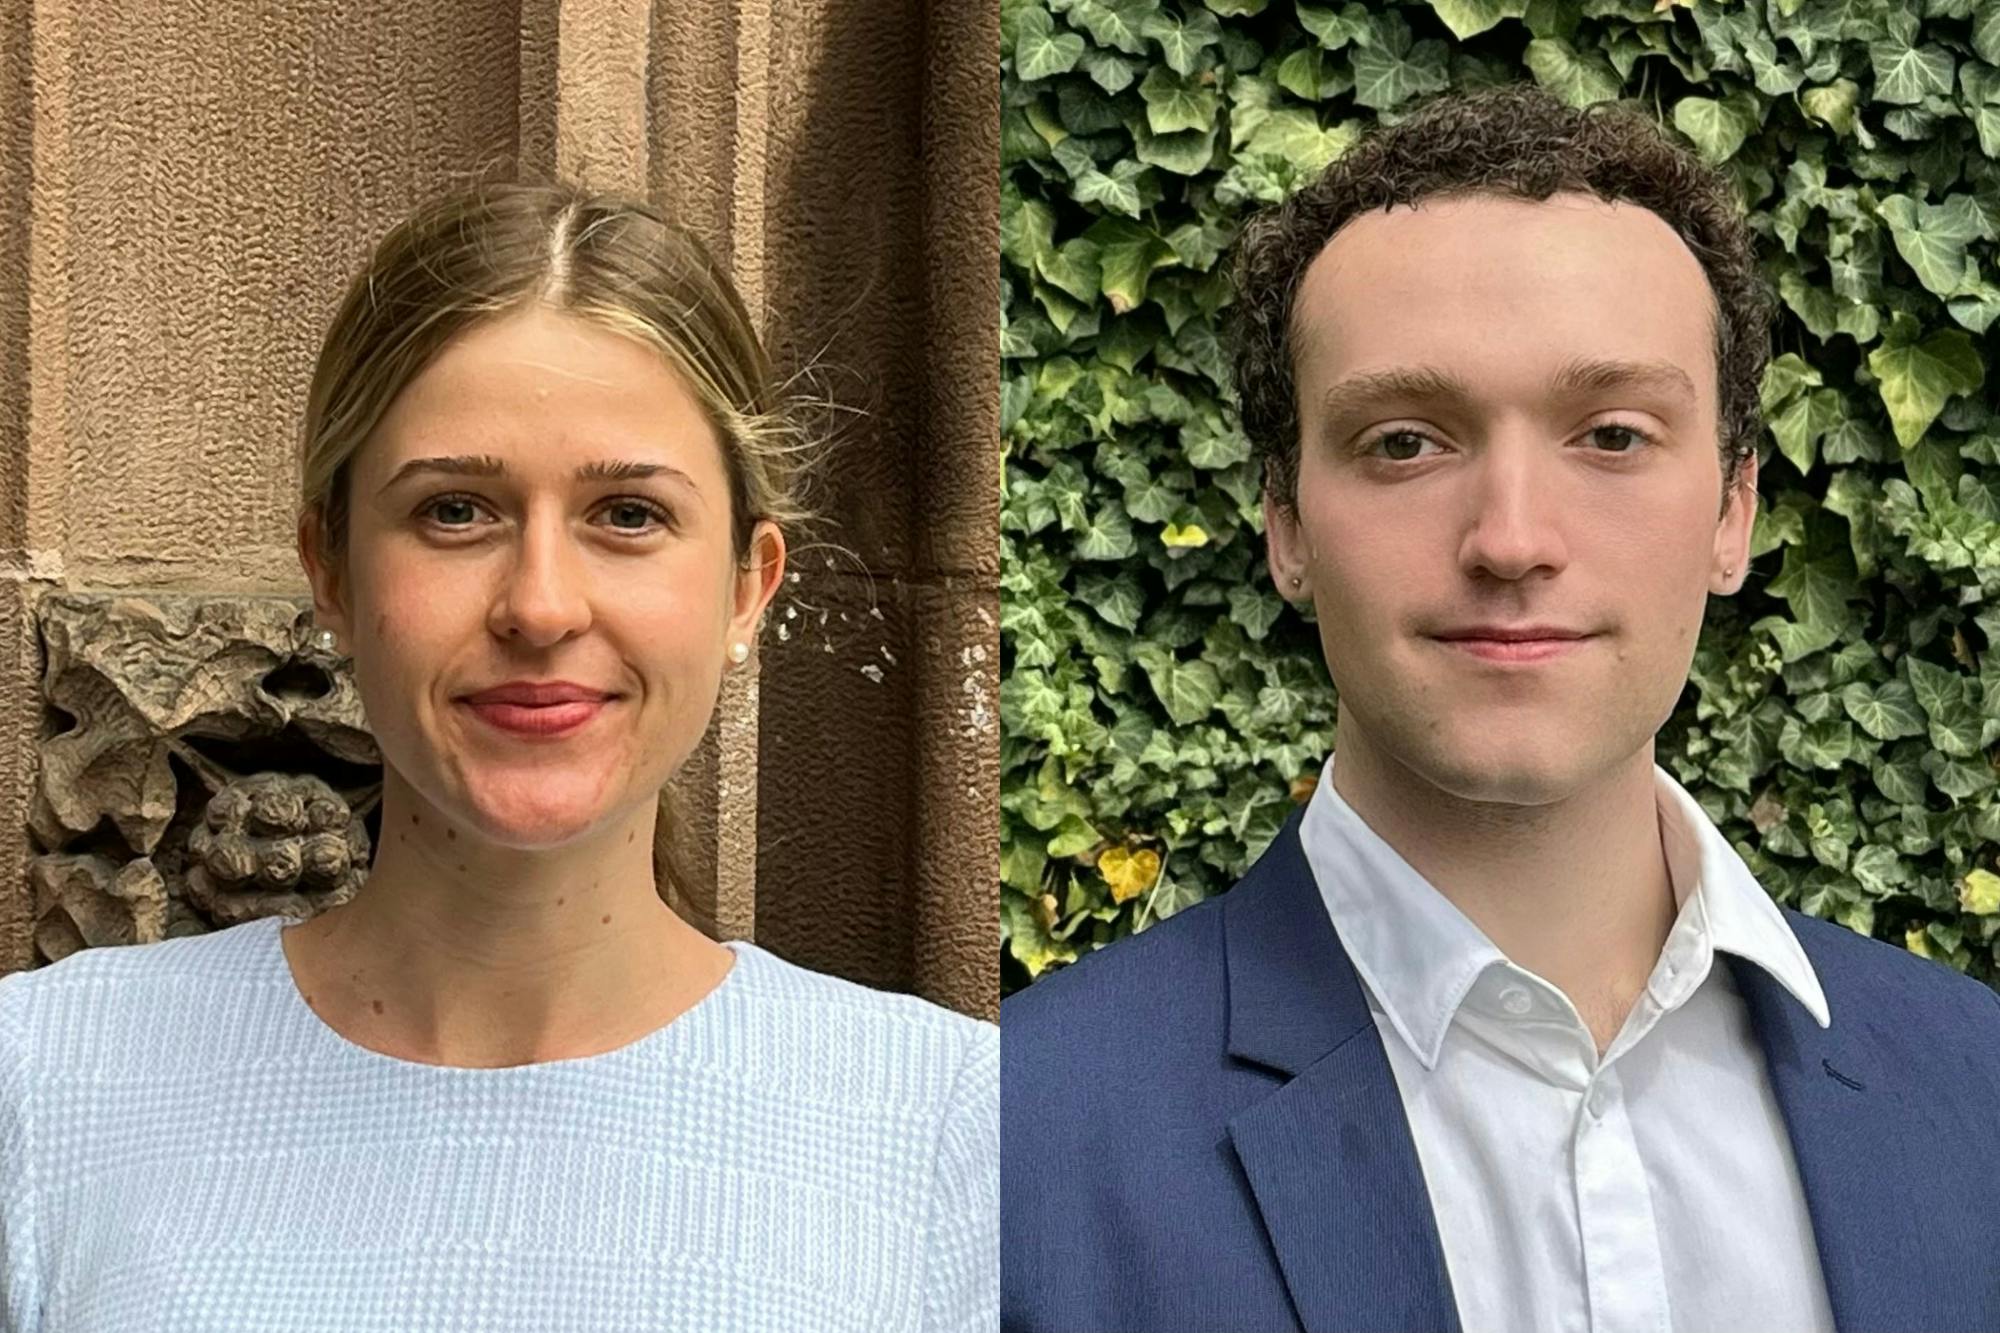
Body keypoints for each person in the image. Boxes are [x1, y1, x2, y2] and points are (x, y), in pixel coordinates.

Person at [1001, 85, 2000, 1333]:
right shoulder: (1008, 1135)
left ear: (1733, 508)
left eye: (1613, 435)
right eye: (1406, 442)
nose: (1512, 540)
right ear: (1284, 523)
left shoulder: (1979, 1091)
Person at [1, 182, 998, 1333]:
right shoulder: (51, 1087)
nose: (538, 605)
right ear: (333, 571)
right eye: (455, 512)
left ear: (744, 585)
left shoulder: (942, 1134)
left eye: (626, 515)